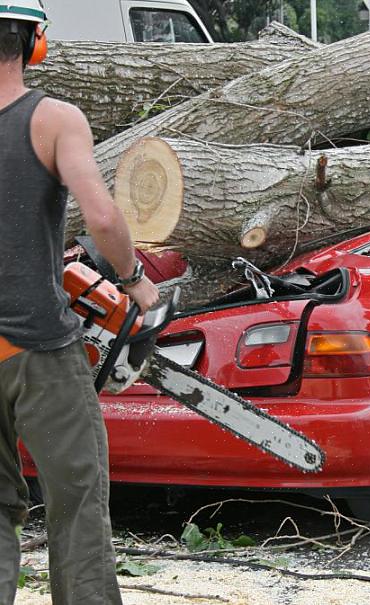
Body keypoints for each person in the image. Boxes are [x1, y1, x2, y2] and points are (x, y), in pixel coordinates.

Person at [0, 2, 159, 603]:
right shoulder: (54, 119)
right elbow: (101, 213)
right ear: (34, 42)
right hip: (36, 346)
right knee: (76, 502)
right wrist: (134, 279)